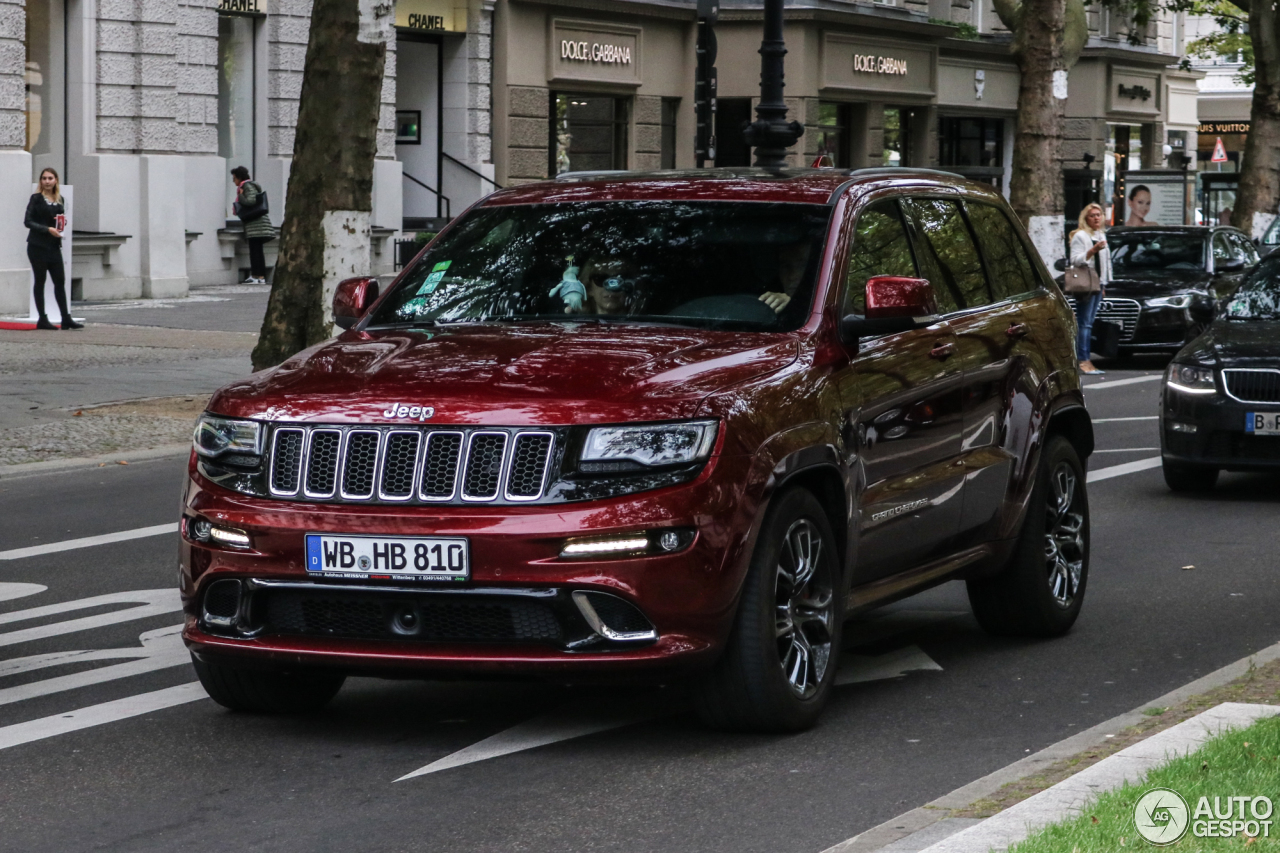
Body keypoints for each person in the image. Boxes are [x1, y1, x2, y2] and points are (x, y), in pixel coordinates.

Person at [24, 167, 80, 330]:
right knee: (40, 281)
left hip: (53, 246)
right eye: (44, 178)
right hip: (37, 246)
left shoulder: (60, 199)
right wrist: (47, 229)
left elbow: (58, 220)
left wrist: (61, 225)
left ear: (56, 180)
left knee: (59, 282)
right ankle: (42, 318)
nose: (47, 181)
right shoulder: (36, 199)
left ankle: (66, 318)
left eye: (50, 178)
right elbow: (28, 221)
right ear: (41, 181)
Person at [1069, 203, 1111, 375]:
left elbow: (1106, 263)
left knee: (1089, 322)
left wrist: (1105, 284)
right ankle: (1083, 359)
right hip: (1086, 283)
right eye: (1092, 215)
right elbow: (1075, 260)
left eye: (1098, 214)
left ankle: (1085, 358)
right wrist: (1092, 250)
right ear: (1086, 218)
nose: (1096, 218)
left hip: (1097, 283)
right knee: (1084, 323)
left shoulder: (1100, 234)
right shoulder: (1081, 236)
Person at [231, 166, 274, 283]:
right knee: (258, 251)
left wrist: (240, 195)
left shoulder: (247, 186)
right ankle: (260, 277)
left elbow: (251, 201)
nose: (233, 181)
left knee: (255, 251)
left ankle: (256, 276)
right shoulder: (249, 185)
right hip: (258, 224)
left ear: (240, 178)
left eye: (234, 178)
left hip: (256, 225)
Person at [759, 242, 811, 313]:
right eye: (785, 266)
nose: (792, 276)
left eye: (801, 266)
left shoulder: (827, 305)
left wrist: (794, 305)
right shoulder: (768, 302)